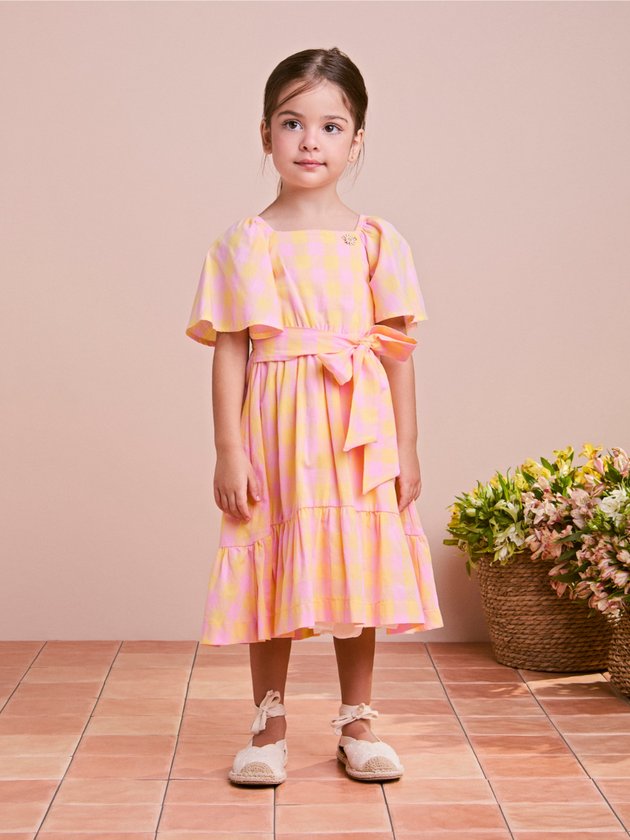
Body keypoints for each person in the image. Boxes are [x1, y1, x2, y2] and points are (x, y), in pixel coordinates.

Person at [185, 46, 443, 786]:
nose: (310, 141)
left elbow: (397, 353)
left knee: (355, 564)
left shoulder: (376, 240)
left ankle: (357, 723)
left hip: (358, 430)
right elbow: (230, 350)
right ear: (265, 133)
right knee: (272, 561)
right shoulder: (245, 242)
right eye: (292, 122)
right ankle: (267, 726)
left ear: (356, 140)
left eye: (331, 127)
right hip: (276, 425)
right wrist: (228, 449)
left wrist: (408, 446)